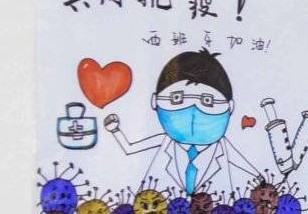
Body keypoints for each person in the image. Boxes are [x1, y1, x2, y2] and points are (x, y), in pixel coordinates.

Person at [103, 50, 258, 200]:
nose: (193, 109)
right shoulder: (164, 141)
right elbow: (130, 148)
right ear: (154, 101)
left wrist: (259, 178)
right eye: (177, 99)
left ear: (230, 107)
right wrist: (115, 130)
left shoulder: (223, 147)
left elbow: (240, 162)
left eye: (207, 101)